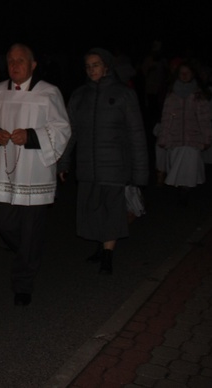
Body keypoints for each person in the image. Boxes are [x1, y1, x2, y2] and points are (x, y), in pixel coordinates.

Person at [0, 43, 71, 306]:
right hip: (6, 170)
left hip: (36, 170)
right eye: (11, 61)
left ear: (33, 64)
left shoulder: (48, 93)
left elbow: (62, 129)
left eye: (21, 60)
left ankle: (23, 284)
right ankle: (30, 252)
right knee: (2, 222)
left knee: (30, 228)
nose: (15, 65)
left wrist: (32, 136)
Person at [57, 48, 148, 275]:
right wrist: (64, 161)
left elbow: (136, 134)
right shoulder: (79, 95)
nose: (91, 69)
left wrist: (140, 173)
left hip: (115, 166)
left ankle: (108, 254)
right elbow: (71, 132)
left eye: (96, 65)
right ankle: (101, 247)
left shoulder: (124, 94)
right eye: (88, 66)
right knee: (93, 209)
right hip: (88, 166)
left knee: (112, 210)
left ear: (106, 66)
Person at [157, 61, 212, 205]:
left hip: (193, 138)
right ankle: (181, 189)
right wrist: (163, 137)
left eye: (187, 72)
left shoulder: (199, 95)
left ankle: (185, 192)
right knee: (177, 167)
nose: (184, 75)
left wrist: (207, 137)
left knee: (189, 168)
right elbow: (166, 117)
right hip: (175, 138)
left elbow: (205, 118)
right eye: (181, 72)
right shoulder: (171, 95)